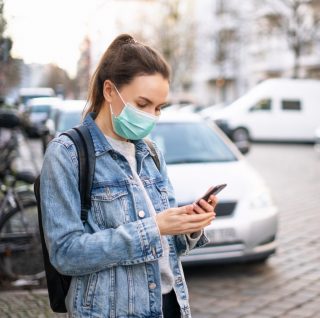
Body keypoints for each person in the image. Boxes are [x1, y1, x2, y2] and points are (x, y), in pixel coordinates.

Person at [40, 34, 217, 318]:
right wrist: (153, 227)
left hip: (170, 306)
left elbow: (170, 248)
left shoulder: (152, 153)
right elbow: (66, 254)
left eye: (158, 108)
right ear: (110, 91)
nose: (151, 116)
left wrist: (189, 226)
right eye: (143, 104)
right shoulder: (67, 154)